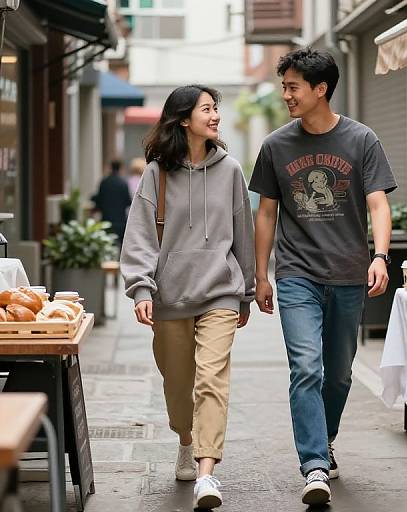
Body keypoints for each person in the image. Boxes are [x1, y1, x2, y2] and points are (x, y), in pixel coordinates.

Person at [249, 47, 397, 506]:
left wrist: (382, 256)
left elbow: (377, 203)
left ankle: (324, 439)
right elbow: (267, 213)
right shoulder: (276, 145)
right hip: (297, 274)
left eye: (294, 87)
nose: (286, 95)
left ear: (321, 89)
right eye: (285, 86)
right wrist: (261, 275)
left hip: (350, 273)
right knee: (306, 368)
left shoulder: (361, 139)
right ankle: (313, 464)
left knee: (339, 375)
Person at [120, 85, 255, 510]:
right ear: (183, 119)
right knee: (178, 385)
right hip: (170, 295)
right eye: (208, 109)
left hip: (220, 292)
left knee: (212, 380)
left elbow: (243, 233)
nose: (216, 116)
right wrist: (142, 286)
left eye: (217, 109)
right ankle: (185, 438)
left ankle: (206, 473)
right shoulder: (157, 173)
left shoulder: (230, 169)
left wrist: (247, 290)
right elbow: (140, 234)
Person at [92, 160, 132, 246]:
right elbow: (129, 201)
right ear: (120, 168)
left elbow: (99, 200)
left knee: (106, 245)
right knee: (120, 246)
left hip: (106, 220)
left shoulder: (104, 182)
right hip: (120, 221)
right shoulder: (123, 183)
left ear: (110, 167)